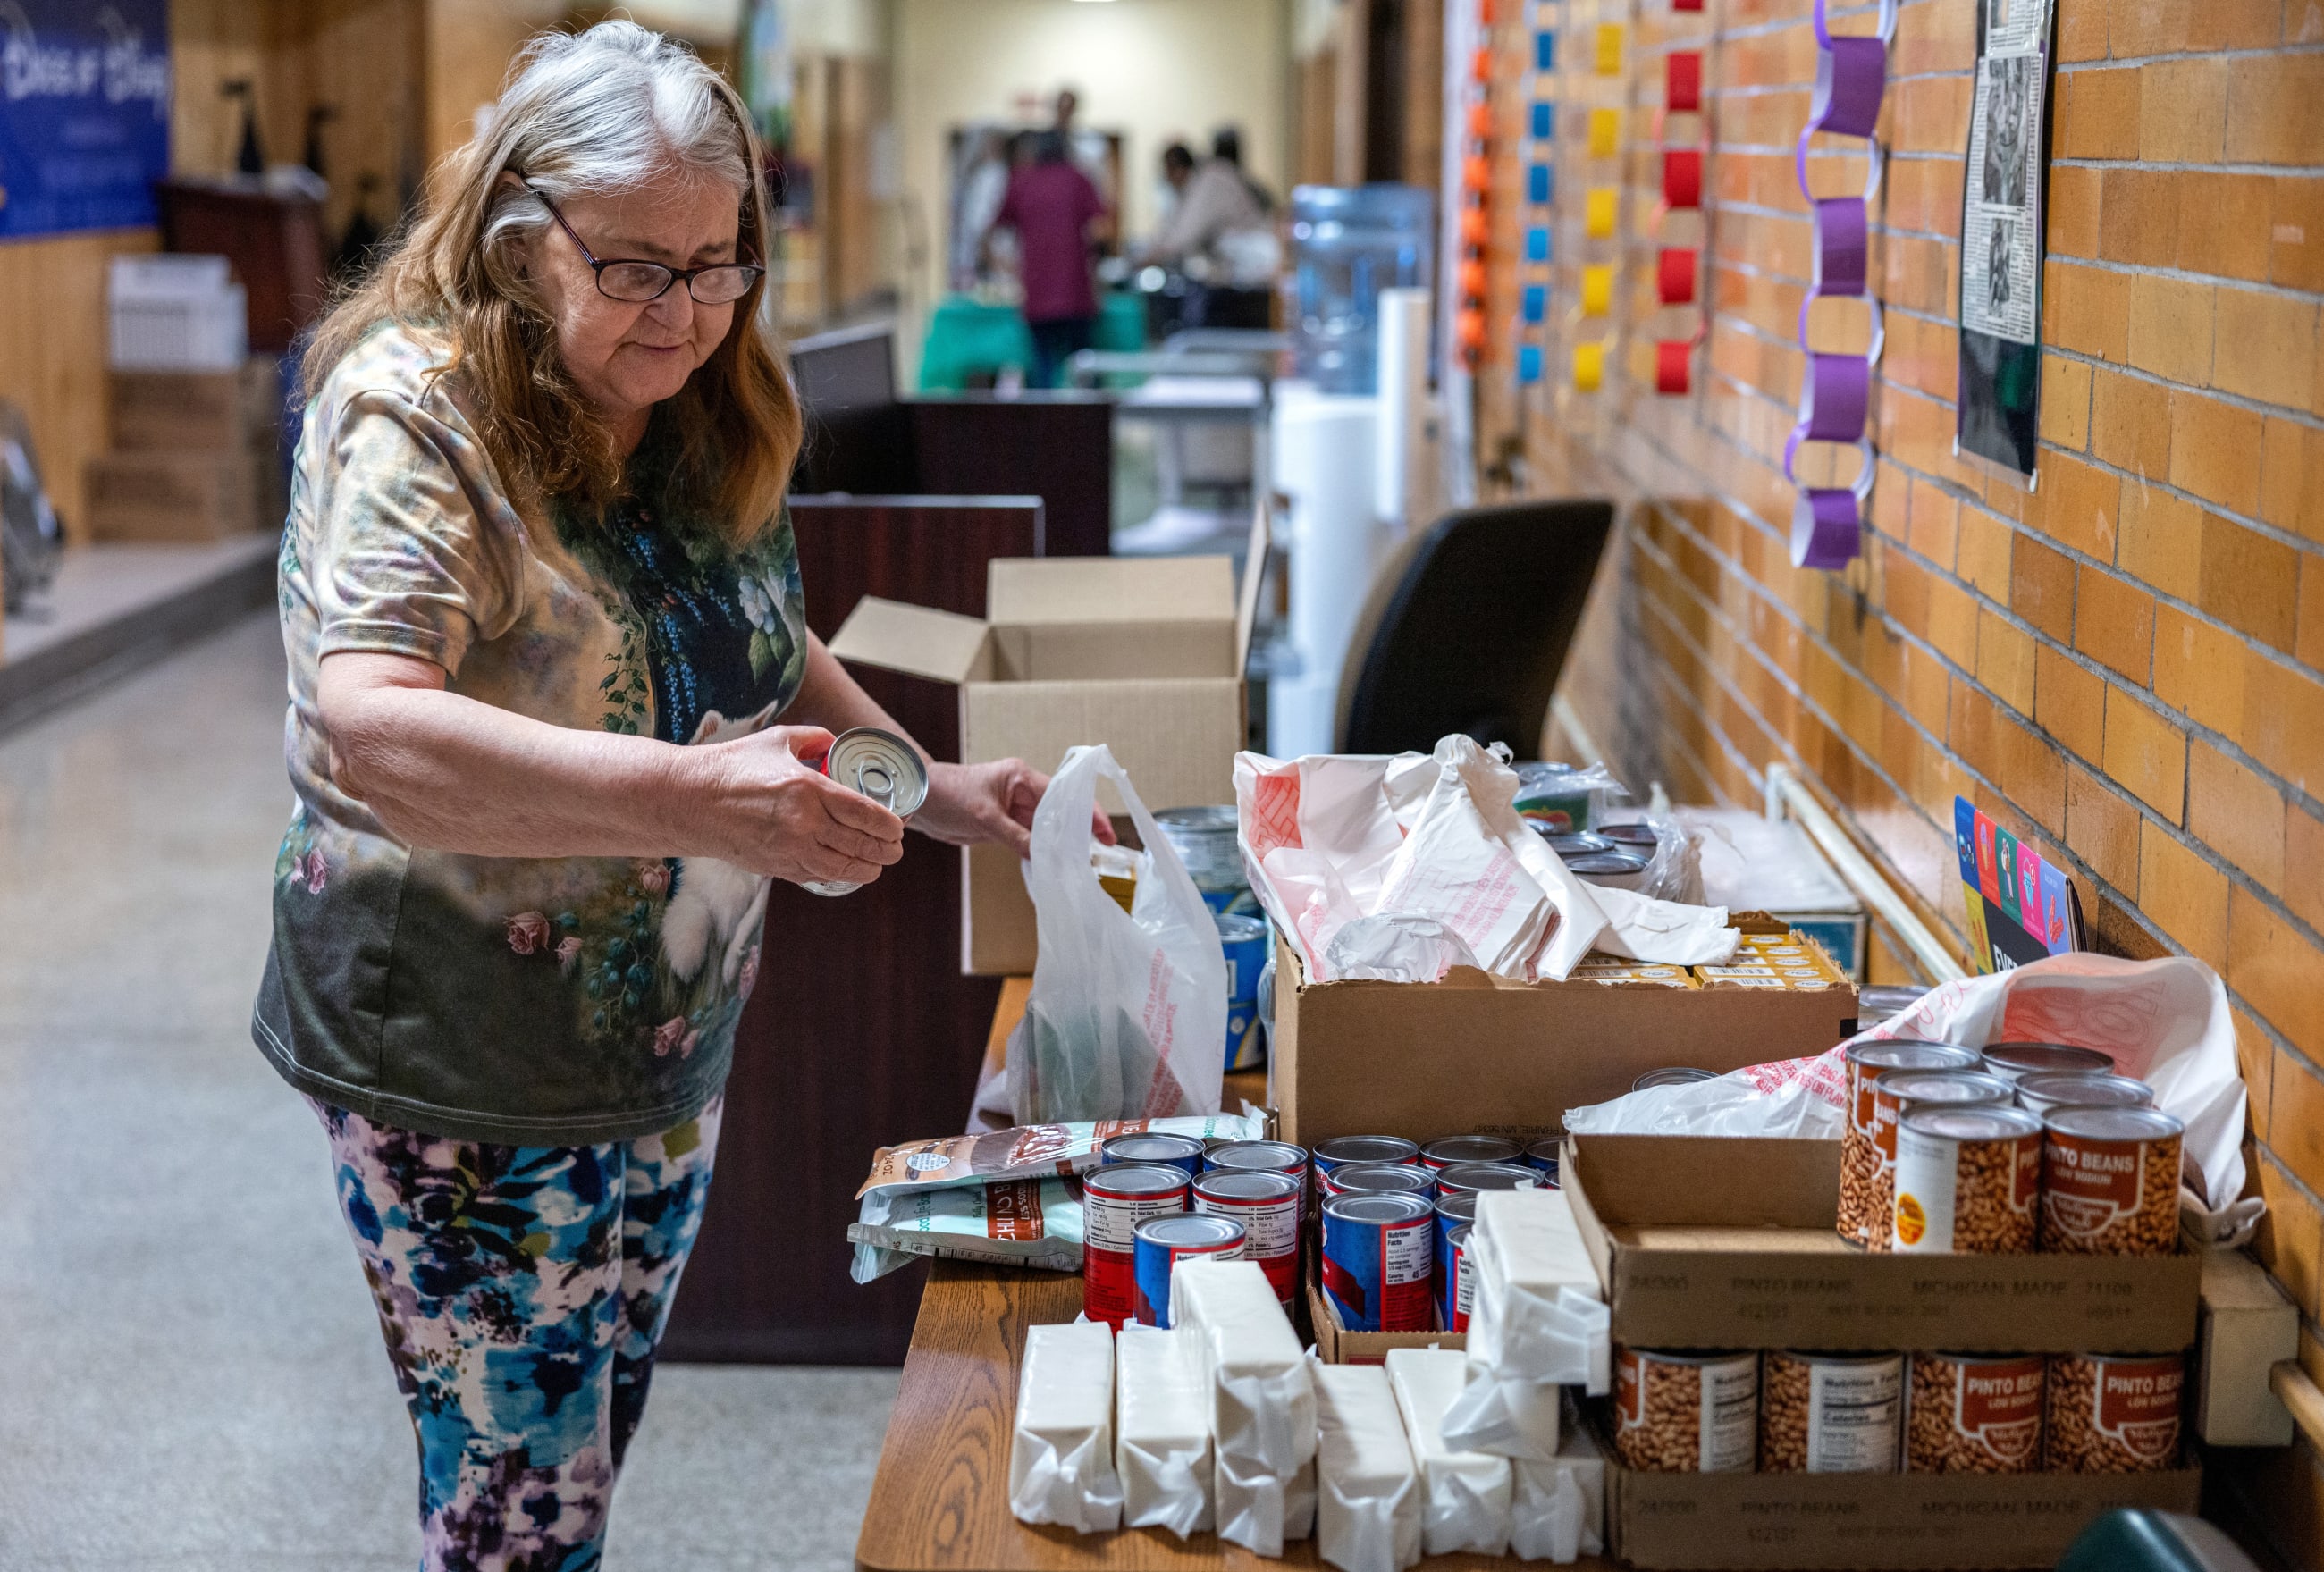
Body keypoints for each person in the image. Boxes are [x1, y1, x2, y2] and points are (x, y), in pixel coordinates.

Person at [257, 23, 1078, 1568]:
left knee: (583, 1451)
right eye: (638, 264)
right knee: (516, 1508)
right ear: (519, 232)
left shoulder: (698, 393)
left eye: (720, 264)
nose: (687, 309)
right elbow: (370, 728)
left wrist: (942, 786)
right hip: (457, 1056)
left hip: (655, 1043)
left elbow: (759, 635)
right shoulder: (416, 407)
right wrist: (701, 801)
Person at [991, 129, 1107, 388]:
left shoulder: (1022, 182)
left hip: (1038, 291)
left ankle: (1046, 424)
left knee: (1043, 369)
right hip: (1076, 291)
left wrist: (1005, 266)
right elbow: (1100, 230)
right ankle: (1090, 425)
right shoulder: (1079, 180)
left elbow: (995, 229)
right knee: (1084, 369)